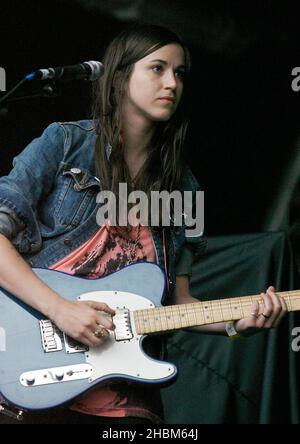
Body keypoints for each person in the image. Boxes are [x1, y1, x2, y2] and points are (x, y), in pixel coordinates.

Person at [0, 22, 288, 424]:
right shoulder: (64, 143)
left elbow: (176, 302)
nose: (172, 82)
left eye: (180, 73)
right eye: (158, 68)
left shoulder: (185, 187)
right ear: (119, 77)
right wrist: (60, 310)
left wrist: (236, 325)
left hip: (125, 403)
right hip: (30, 373)